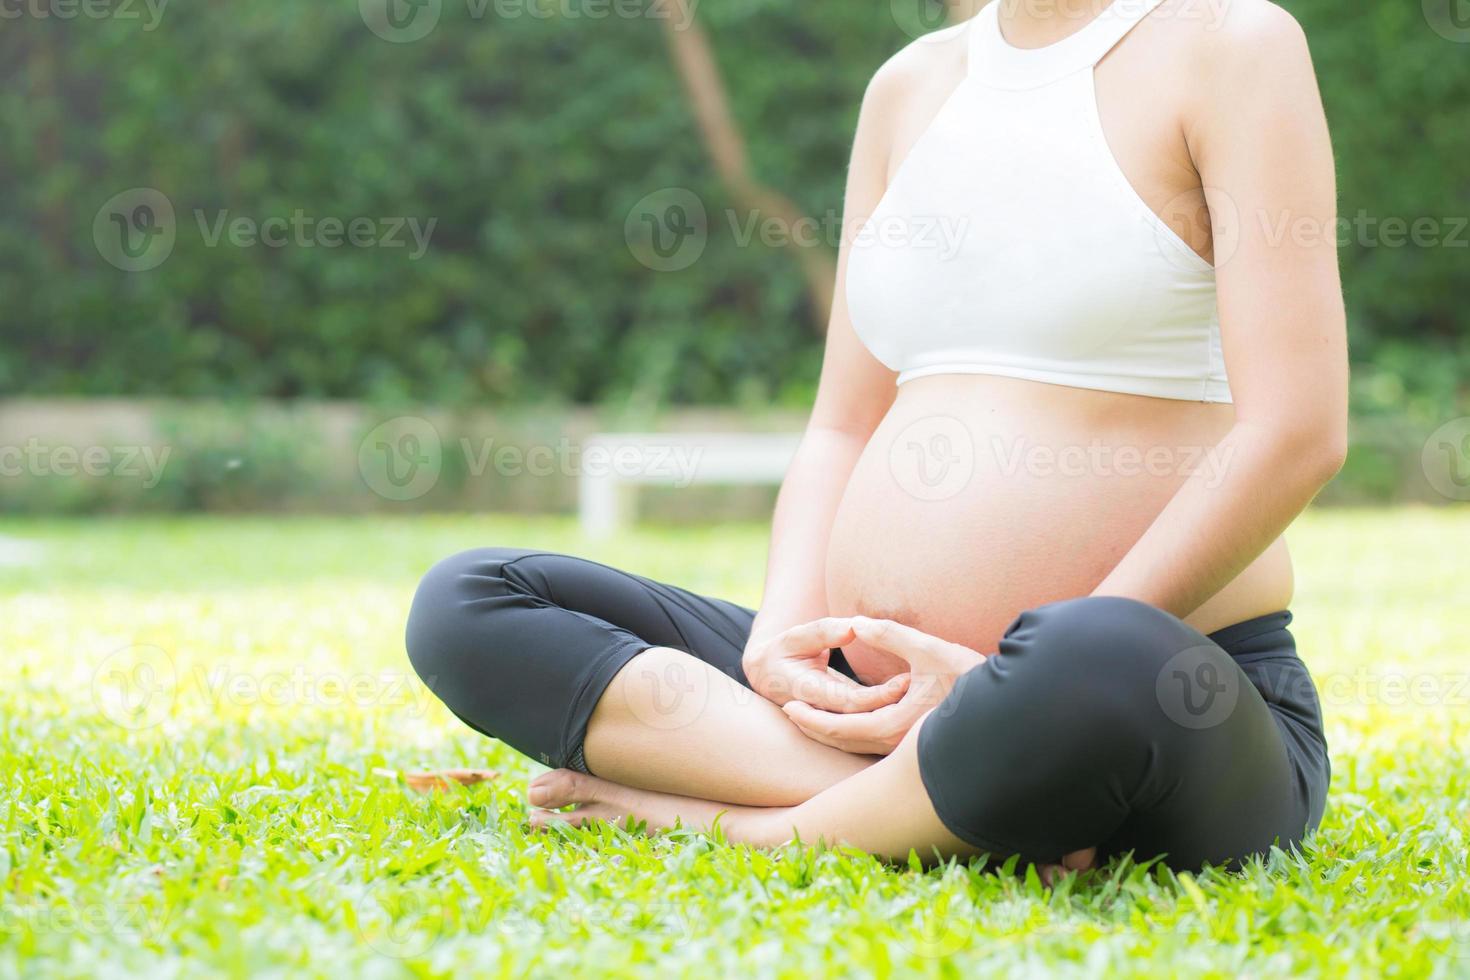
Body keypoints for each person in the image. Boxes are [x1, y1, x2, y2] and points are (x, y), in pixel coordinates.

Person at [406, 0, 1345, 875]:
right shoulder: (911, 86)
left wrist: (998, 688)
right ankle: (946, 801)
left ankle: (755, 821)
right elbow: (840, 428)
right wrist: (780, 643)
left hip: (1146, 691)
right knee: (473, 601)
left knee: (1091, 652)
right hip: (859, 696)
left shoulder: (1232, 45)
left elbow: (1294, 432)